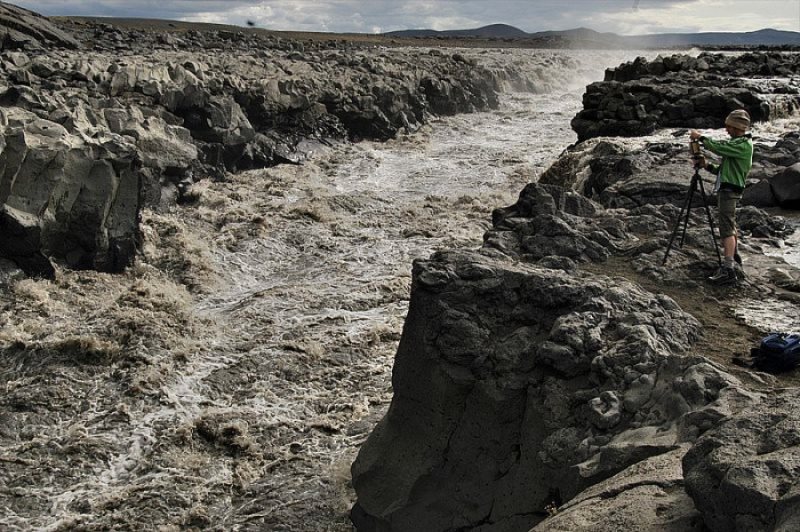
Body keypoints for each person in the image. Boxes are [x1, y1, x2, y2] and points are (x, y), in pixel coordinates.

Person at [689, 109, 753, 285]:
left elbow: (719, 147)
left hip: (730, 191)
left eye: (728, 126)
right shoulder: (739, 144)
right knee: (730, 224)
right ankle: (734, 257)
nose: (726, 130)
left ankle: (728, 269)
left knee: (726, 228)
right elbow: (723, 171)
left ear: (736, 126)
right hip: (729, 188)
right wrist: (706, 165)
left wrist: (701, 138)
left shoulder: (742, 145)